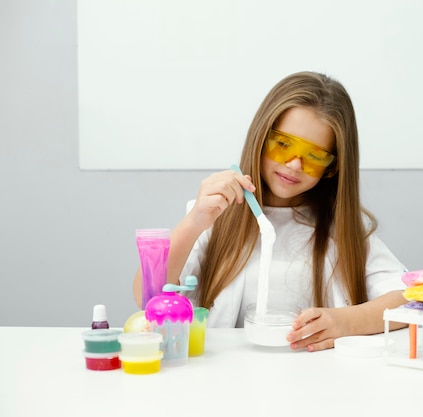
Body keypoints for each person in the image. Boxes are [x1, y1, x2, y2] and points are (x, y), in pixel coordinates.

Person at [133, 71, 408, 352]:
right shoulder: (218, 217)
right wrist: (194, 222)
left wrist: (345, 322)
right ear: (261, 138)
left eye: (314, 156)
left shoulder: (343, 228)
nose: (294, 165)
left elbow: (408, 297)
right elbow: (147, 297)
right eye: (283, 144)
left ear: (332, 168)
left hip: (316, 376)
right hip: (224, 376)